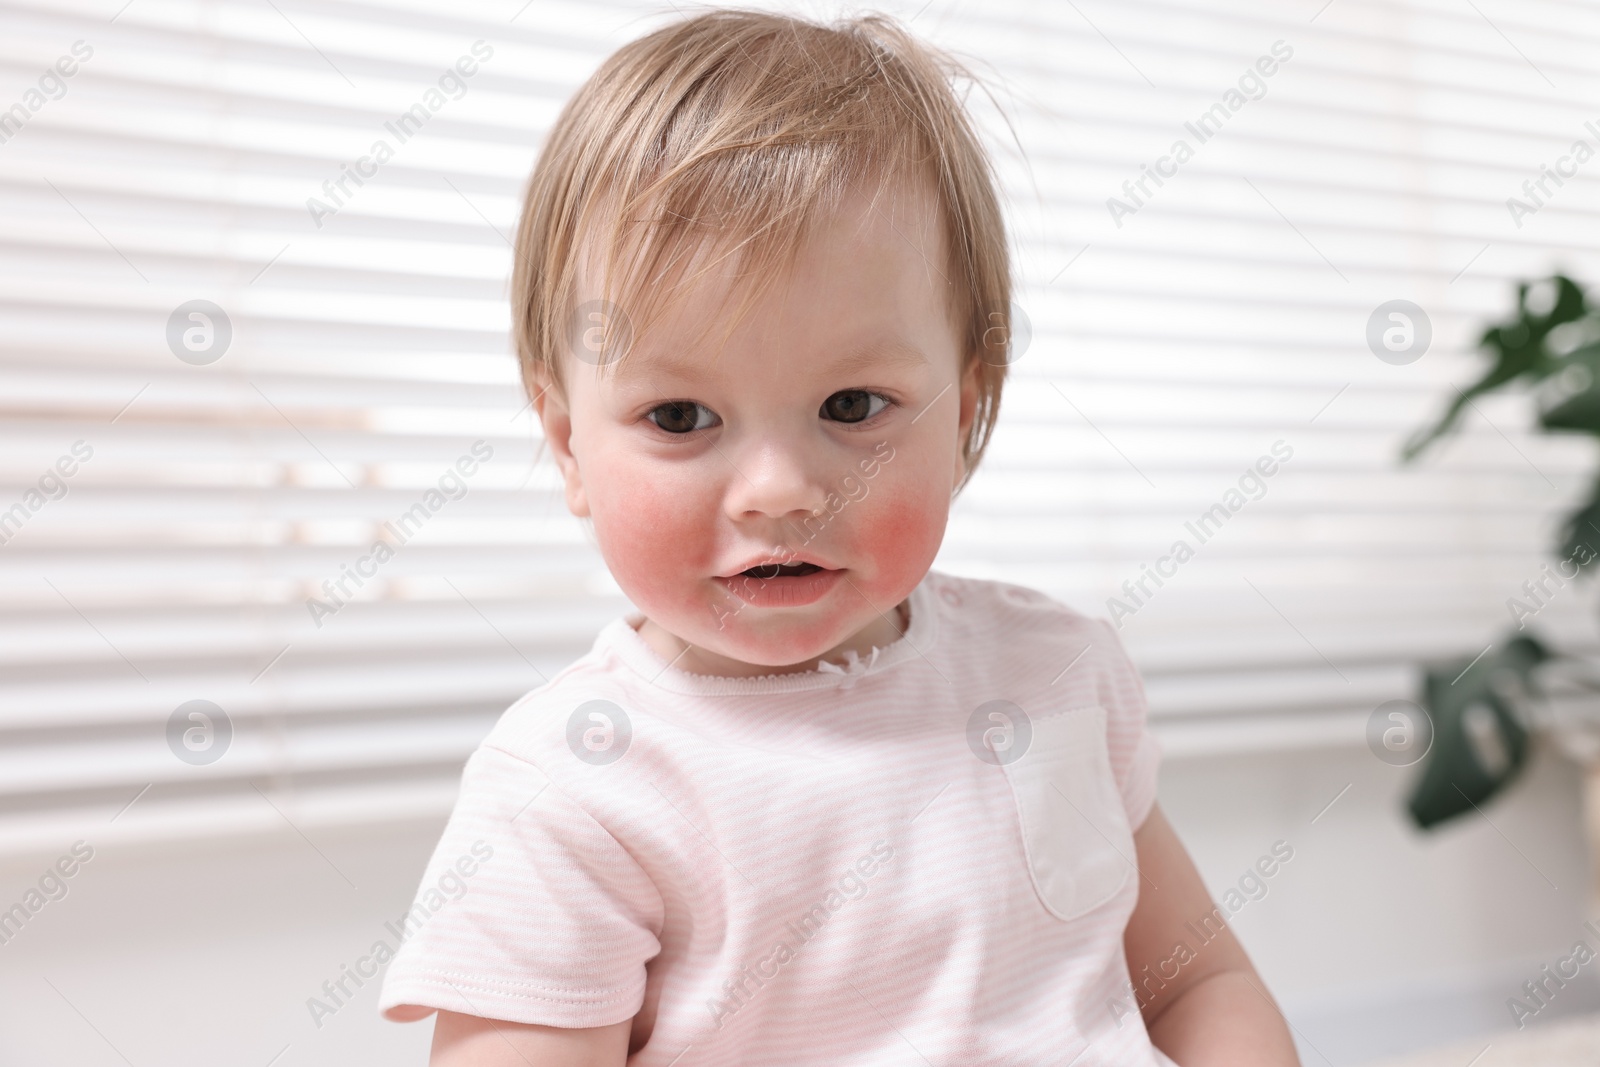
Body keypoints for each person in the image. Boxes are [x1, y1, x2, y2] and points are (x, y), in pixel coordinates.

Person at [378, 9, 1300, 1065]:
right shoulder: (575, 787)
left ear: (963, 411)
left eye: (854, 404)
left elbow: (1199, 985)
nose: (777, 491)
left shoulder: (1057, 674)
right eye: (681, 418)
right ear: (567, 446)